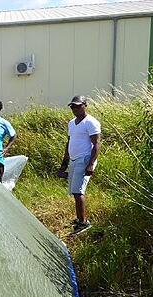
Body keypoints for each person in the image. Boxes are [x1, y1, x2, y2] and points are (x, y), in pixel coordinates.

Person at [57, 95, 101, 235]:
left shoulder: (91, 122)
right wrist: (64, 165)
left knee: (78, 191)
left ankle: (83, 223)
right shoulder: (72, 123)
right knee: (73, 191)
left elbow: (96, 144)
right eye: (72, 106)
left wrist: (90, 164)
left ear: (85, 105)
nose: (75, 109)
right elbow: (69, 143)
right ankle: (79, 219)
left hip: (85, 159)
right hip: (74, 159)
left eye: (78, 106)